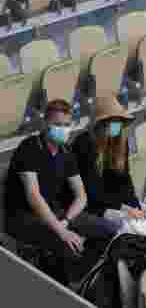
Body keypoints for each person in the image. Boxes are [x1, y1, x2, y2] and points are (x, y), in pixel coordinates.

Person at [3, 99, 117, 286]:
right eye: (57, 124)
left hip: (57, 216)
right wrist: (62, 231)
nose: (63, 129)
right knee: (66, 245)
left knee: (110, 231)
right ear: (44, 124)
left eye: (66, 125)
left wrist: (66, 221)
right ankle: (61, 290)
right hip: (23, 218)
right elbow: (34, 197)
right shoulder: (29, 148)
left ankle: (81, 282)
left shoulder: (66, 152)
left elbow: (81, 196)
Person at [70, 97, 144, 222]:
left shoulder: (120, 142)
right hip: (88, 204)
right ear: (100, 124)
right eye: (112, 121)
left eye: (119, 121)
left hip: (111, 201)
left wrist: (135, 207)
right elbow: (91, 189)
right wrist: (123, 208)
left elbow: (125, 180)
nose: (117, 125)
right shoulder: (83, 143)